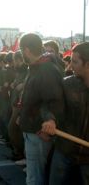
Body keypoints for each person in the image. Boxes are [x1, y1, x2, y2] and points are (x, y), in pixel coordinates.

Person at [19, 33, 64, 185]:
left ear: (26, 50)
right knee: (35, 174)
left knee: (35, 177)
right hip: (33, 129)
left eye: (21, 50)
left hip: (38, 131)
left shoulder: (46, 69)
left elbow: (54, 100)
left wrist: (50, 122)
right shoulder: (37, 67)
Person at [42, 42, 89, 185]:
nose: (70, 65)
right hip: (64, 151)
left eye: (75, 61)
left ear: (87, 64)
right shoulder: (67, 84)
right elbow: (50, 105)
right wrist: (50, 120)